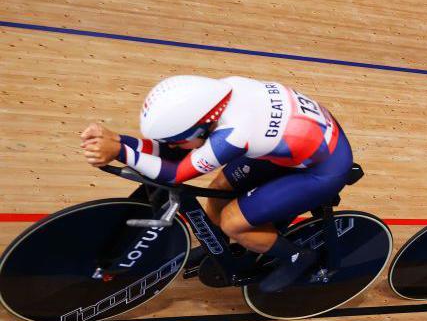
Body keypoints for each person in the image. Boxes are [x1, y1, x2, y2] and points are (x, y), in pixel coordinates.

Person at [80, 75, 356, 293]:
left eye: (177, 138)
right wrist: (118, 141)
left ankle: (297, 257)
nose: (173, 144)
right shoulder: (221, 94)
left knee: (233, 222)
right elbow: (174, 150)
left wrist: (120, 152)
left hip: (323, 169)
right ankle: (221, 247)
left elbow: (175, 172)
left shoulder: (232, 135)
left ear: (202, 127)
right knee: (221, 187)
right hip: (298, 146)